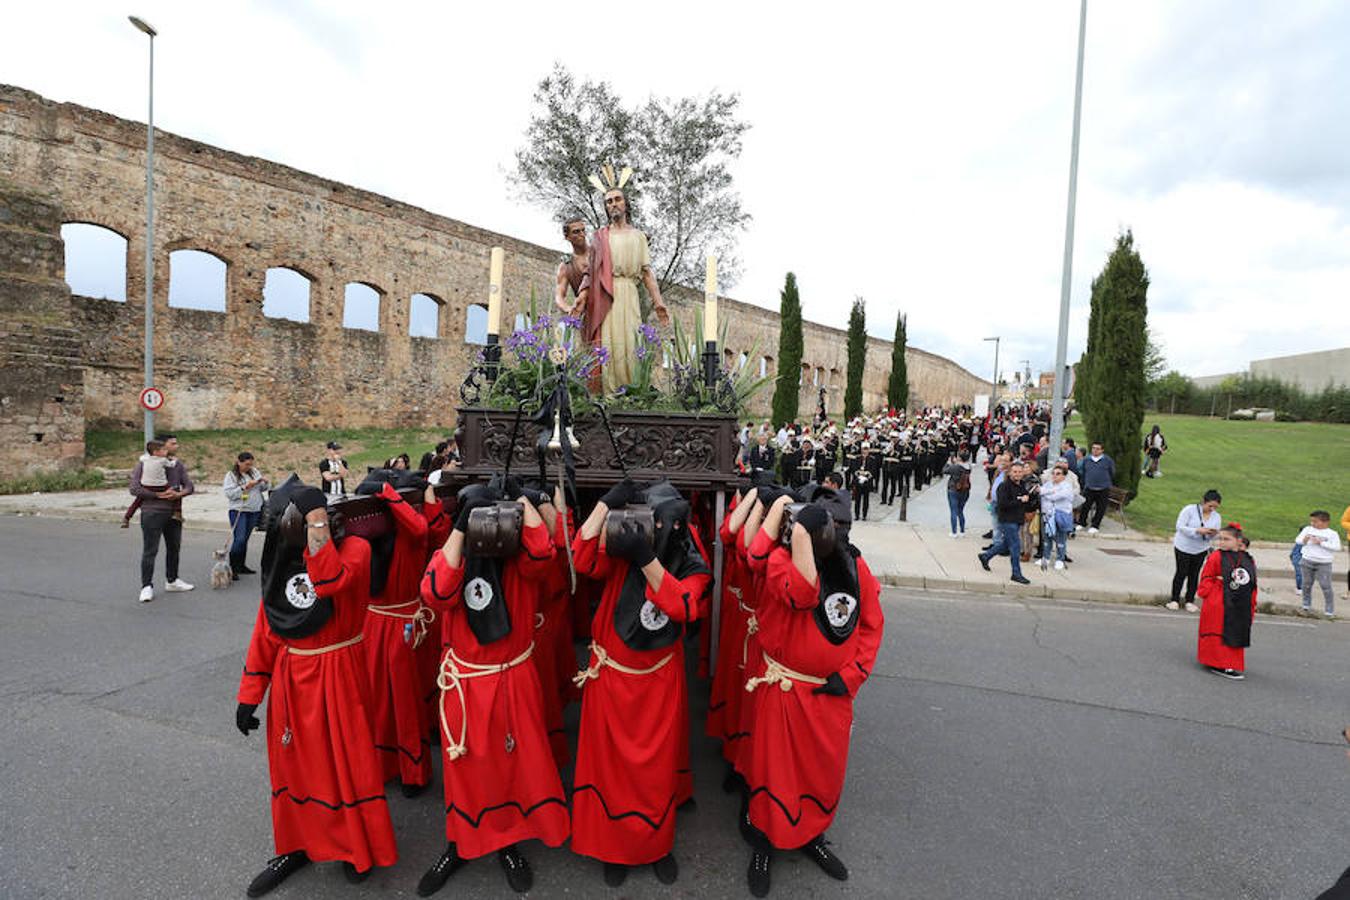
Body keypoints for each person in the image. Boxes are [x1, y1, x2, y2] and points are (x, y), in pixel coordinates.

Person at [234, 477, 397, 896]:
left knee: (344, 765)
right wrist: (251, 693)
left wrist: (317, 520)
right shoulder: (282, 560)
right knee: (295, 767)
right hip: (293, 678)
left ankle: (354, 845)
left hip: (339, 671)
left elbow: (329, 581)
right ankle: (297, 845)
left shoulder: (357, 551)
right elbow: (267, 627)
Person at [415, 478, 568, 895]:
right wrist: (462, 530)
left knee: (510, 765)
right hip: (466, 680)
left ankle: (508, 841)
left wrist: (520, 500)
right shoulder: (454, 557)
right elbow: (435, 592)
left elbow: (543, 549)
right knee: (463, 769)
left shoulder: (520, 563)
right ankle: (459, 843)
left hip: (511, 677)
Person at [739, 493, 884, 897]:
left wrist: (853, 674)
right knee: (774, 772)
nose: (829, 535)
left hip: (831, 696)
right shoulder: (779, 561)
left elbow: (872, 624)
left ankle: (811, 836)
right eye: (821, 527)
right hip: (785, 689)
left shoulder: (855, 567)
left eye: (833, 528)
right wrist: (799, 534)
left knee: (822, 773)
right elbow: (802, 594)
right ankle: (763, 844)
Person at [570, 479, 711, 888]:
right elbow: (581, 559)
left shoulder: (689, 563)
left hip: (656, 684)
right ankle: (613, 846)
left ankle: (655, 845)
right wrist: (604, 506)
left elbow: (683, 605)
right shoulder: (622, 557)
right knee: (610, 771)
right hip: (612, 676)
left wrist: (648, 559)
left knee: (653, 771)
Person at [575, 177, 671, 393]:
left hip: (629, 293)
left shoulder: (638, 237)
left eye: (617, 199)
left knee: (630, 342)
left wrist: (659, 303)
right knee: (607, 343)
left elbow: (647, 272)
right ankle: (607, 394)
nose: (613, 204)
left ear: (626, 203)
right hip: (605, 296)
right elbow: (590, 270)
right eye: (609, 201)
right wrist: (581, 296)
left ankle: (630, 392)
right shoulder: (601, 237)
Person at [129, 433, 195, 603]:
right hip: (152, 512)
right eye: (172, 444)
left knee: (174, 548)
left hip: (174, 512)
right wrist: (158, 495)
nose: (176, 446)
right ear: (160, 447)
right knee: (150, 550)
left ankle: (172, 580)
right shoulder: (143, 464)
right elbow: (134, 489)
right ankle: (146, 587)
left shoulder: (177, 465)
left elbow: (189, 486)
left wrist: (178, 494)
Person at [1196, 523, 1258, 680]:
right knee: (1219, 631)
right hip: (1219, 600)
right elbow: (1206, 577)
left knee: (1234, 630)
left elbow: (1251, 582)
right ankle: (1218, 662)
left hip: (1240, 602)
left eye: (1226, 539)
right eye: (1220, 539)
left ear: (1238, 541)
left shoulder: (1248, 559)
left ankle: (1226, 661)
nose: (1222, 542)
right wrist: (1213, 590)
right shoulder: (1216, 556)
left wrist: (1251, 603)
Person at [979, 459, 1032, 585]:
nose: (1017, 474)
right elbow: (1003, 504)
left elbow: (1026, 500)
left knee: (1006, 544)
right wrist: (1020, 500)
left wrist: (1028, 498)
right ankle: (1016, 573)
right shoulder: (1004, 486)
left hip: (1018, 519)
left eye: (1020, 472)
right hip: (1007, 520)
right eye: (1015, 472)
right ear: (1009, 473)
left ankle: (986, 556)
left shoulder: (1022, 485)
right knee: (1015, 547)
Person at [1167, 490, 1223, 612]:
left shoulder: (1216, 517)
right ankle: (1174, 599)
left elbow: (1216, 534)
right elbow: (1180, 527)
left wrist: (1213, 533)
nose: (1212, 509)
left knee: (1194, 574)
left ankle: (1189, 600)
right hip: (1184, 547)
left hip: (1201, 548)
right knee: (1181, 573)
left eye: (1215, 507)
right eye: (1210, 506)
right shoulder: (1189, 510)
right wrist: (1197, 530)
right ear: (1204, 501)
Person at [223, 452, 269, 579]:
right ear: (239, 462)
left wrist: (264, 482)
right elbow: (229, 494)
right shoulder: (231, 475)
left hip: (254, 510)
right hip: (239, 510)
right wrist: (245, 487)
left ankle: (241, 565)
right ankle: (233, 567)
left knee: (245, 539)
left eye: (251, 464)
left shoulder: (254, 472)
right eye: (246, 464)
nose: (249, 467)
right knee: (240, 539)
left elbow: (262, 488)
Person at [1296, 511, 1342, 618]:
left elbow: (1337, 547)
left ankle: (1329, 610)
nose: (1312, 523)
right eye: (1311, 521)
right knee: (1306, 584)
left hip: (1324, 563)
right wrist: (1304, 540)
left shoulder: (1332, 533)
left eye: (1315, 521)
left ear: (1325, 522)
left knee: (1326, 586)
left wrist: (1321, 543)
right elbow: (1298, 541)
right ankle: (1306, 605)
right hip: (1307, 560)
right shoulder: (1308, 529)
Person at [122, 438, 168, 527]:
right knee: (174, 491)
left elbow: (142, 458)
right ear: (156, 452)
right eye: (164, 450)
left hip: (146, 485)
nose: (166, 452)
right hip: (160, 486)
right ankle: (177, 512)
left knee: (137, 502)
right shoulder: (163, 460)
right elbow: (172, 465)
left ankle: (127, 517)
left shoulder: (144, 460)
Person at [1038, 464, 1074, 570]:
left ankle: (1060, 559)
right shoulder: (1049, 484)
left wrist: (1047, 494)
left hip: (1060, 515)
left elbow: (1058, 496)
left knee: (1060, 539)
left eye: (1058, 474)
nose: (1055, 476)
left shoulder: (1067, 486)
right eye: (1053, 473)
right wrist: (1048, 492)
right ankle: (1046, 557)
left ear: (1064, 476)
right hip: (1047, 515)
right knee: (1046, 538)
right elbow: (1041, 492)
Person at [554, 215, 589, 314]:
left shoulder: (597, 254)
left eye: (583, 230)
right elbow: (559, 295)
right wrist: (568, 309)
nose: (582, 234)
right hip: (585, 314)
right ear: (567, 237)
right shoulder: (566, 265)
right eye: (576, 232)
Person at [1077, 442, 1114, 533]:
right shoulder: (1087, 460)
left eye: (1097, 448)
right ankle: (1082, 523)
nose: (1095, 450)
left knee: (1100, 508)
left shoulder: (1107, 460)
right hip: (1089, 487)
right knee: (1085, 506)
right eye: (1093, 448)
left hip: (1103, 488)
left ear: (1102, 450)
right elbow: (1082, 471)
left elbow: (1111, 472)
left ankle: (1095, 525)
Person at [942, 450, 973, 537]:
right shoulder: (969, 467)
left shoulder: (955, 467)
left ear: (959, 457)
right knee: (960, 511)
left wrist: (948, 463)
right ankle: (962, 531)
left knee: (953, 511)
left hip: (954, 489)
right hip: (965, 490)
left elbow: (944, 471)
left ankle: (954, 532)